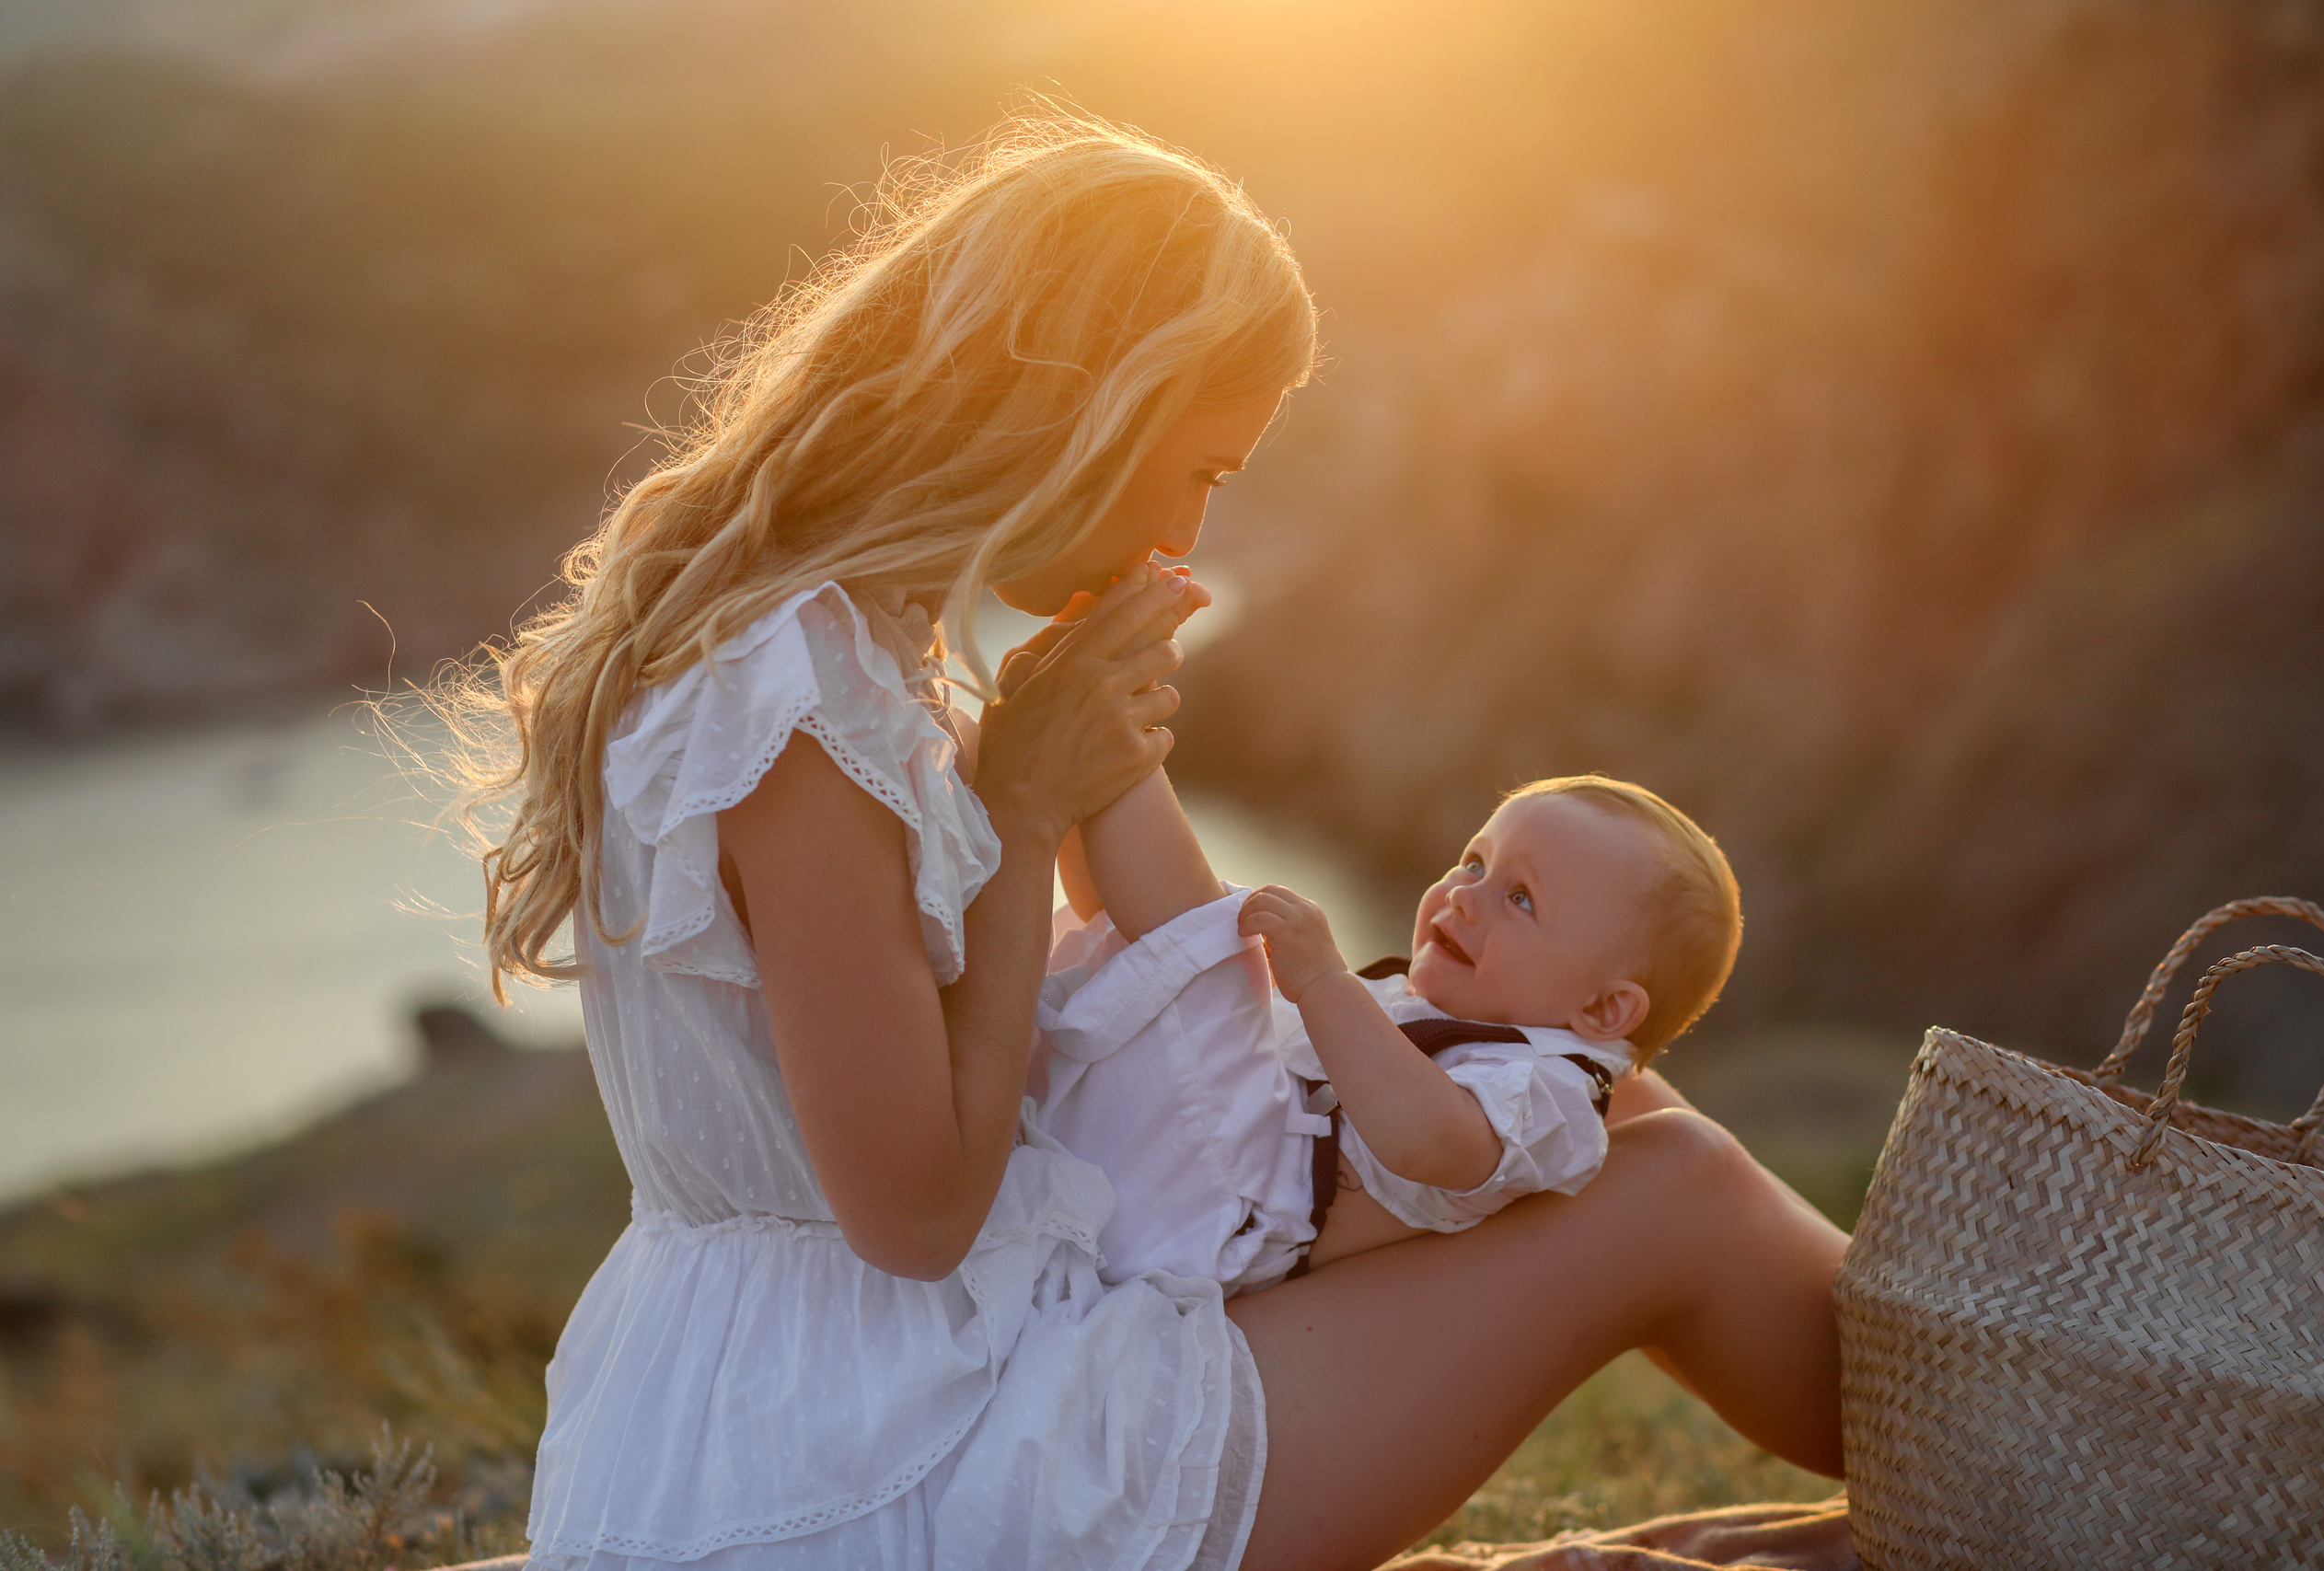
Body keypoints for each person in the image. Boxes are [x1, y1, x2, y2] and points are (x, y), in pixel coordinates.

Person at [454, 115, 1847, 1571]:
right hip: (903, 1451)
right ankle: (2033, 1441)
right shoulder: (798, 709)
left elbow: (1121, 1002)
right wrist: (1019, 810)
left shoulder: (835, 644)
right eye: (1204, 470)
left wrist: (1063, 778)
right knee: (1670, 1189)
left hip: (860, 1387)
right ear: (1090, 410)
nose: (1191, 522)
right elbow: (916, 1213)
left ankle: (2010, 1430)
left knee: (1589, 1089)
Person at [1029, 768, 1738, 1292]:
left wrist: (1326, 984)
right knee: (1149, 936)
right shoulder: (1444, 1005)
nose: (1463, 894)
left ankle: (1105, 742)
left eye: (1519, 897)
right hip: (1200, 1151)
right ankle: (1076, 765)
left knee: (1202, 933)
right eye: (1474, 862)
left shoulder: (1551, 1092)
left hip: (1221, 1204)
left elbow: (1430, 1141)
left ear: (1604, 1012)